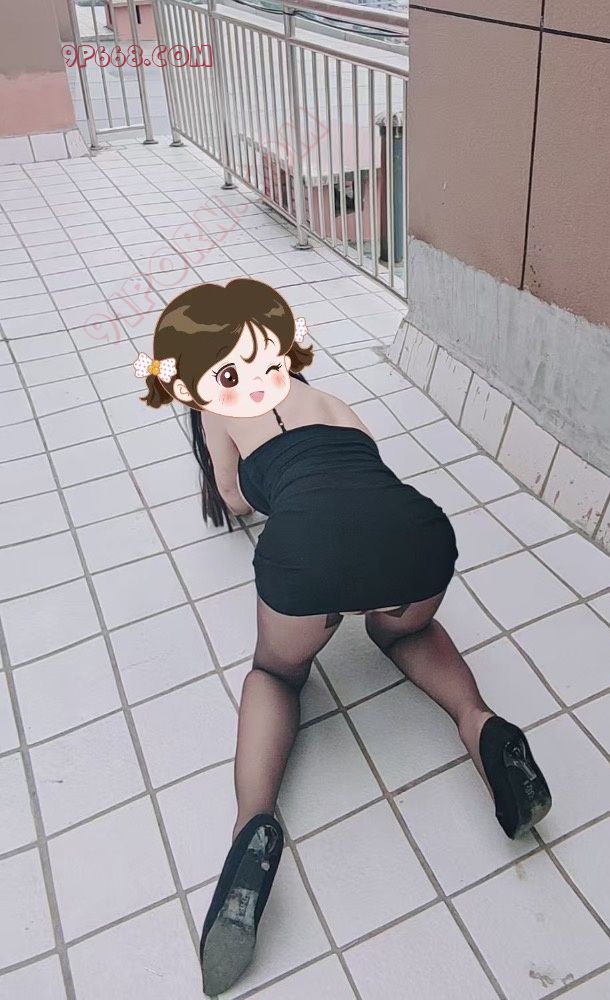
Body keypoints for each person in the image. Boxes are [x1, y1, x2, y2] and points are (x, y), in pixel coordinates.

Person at [136, 279, 552, 996]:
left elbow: (233, 496)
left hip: (307, 555)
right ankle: (481, 725)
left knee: (276, 674)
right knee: (404, 630)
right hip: (416, 532)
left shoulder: (214, 405)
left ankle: (252, 826)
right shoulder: (331, 401)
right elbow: (360, 484)